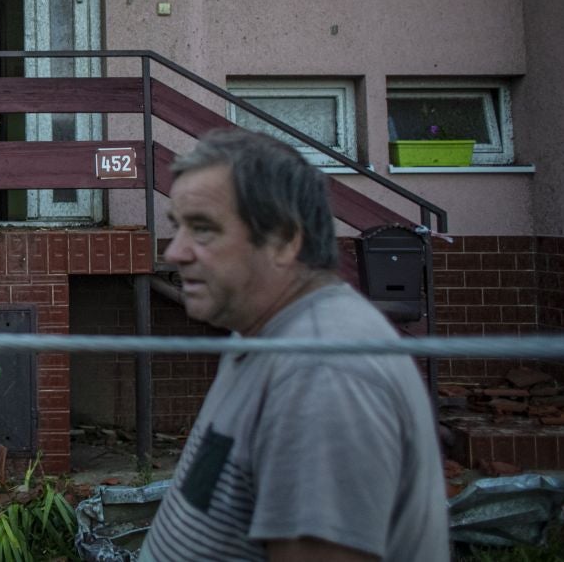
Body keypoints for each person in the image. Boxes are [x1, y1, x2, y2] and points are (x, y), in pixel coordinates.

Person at [141, 129, 448, 562]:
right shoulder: (265, 332)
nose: (174, 252)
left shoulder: (321, 374)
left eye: (203, 229)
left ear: (284, 240)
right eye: (178, 228)